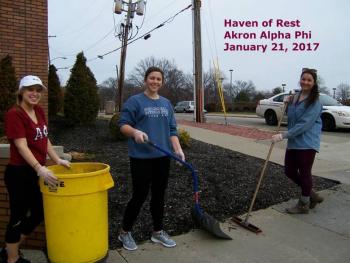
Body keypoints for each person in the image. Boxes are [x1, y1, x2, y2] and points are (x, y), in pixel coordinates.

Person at [0, 75, 70, 263]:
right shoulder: (15, 114)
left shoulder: (38, 111)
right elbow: (21, 146)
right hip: (19, 174)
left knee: (39, 212)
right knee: (17, 216)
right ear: (21, 91)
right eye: (30, 89)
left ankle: (9, 248)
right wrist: (40, 168)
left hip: (34, 173)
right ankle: (12, 259)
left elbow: (44, 138)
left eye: (38, 90)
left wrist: (57, 160)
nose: (35, 93)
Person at [117, 66, 185, 251]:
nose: (155, 82)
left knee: (159, 195)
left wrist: (178, 150)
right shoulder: (135, 101)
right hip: (141, 157)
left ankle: (157, 232)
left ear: (162, 82)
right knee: (139, 195)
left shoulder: (166, 104)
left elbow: (172, 130)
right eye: (152, 78)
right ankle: (124, 232)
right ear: (145, 80)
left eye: (158, 79)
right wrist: (135, 131)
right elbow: (122, 125)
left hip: (163, 157)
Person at [271, 68, 324, 214]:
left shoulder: (315, 102)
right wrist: (287, 104)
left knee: (305, 172)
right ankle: (311, 194)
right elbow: (292, 118)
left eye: (309, 80)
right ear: (300, 79)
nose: (305, 82)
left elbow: (304, 124)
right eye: (303, 79)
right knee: (289, 171)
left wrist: (283, 135)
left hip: (307, 143)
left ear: (314, 83)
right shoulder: (295, 97)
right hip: (294, 141)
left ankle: (304, 204)